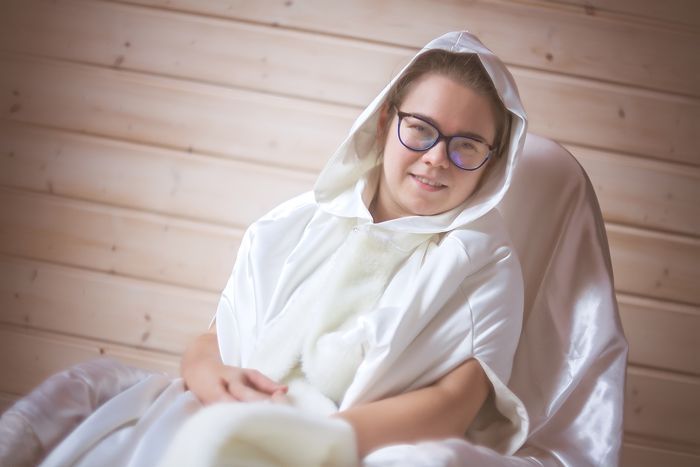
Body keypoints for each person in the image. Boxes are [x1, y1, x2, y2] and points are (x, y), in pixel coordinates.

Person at [0, 31, 530, 466]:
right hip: (238, 405)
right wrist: (211, 377)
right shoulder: (295, 222)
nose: (436, 157)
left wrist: (310, 440)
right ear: (385, 121)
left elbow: (453, 404)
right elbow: (215, 336)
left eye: (466, 146)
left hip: (346, 437)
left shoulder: (485, 264)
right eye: (420, 129)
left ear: (494, 161)